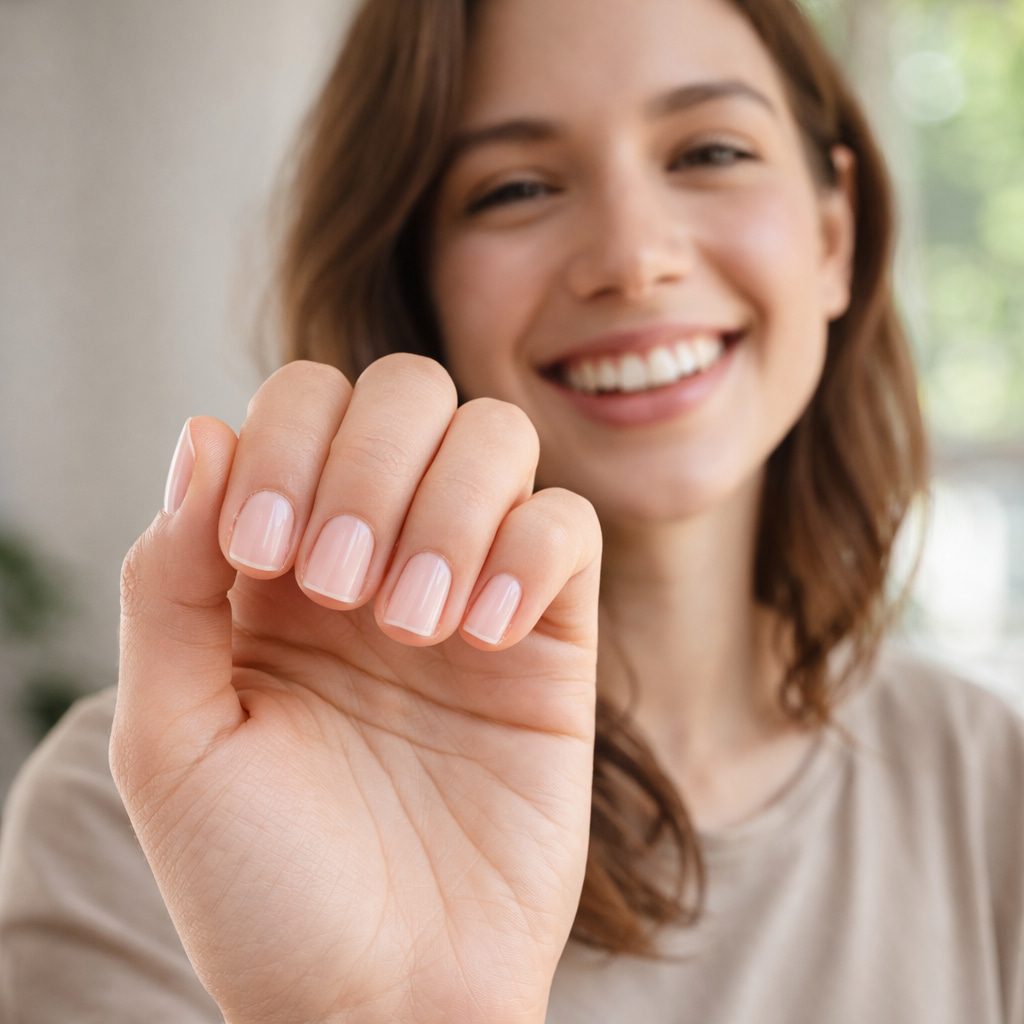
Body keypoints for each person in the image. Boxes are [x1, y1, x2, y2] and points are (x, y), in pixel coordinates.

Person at [2, 0, 1023, 1021]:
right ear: (412, 281)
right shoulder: (163, 805)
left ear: (834, 235)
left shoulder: (989, 786)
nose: (632, 257)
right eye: (516, 188)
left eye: (710, 151)